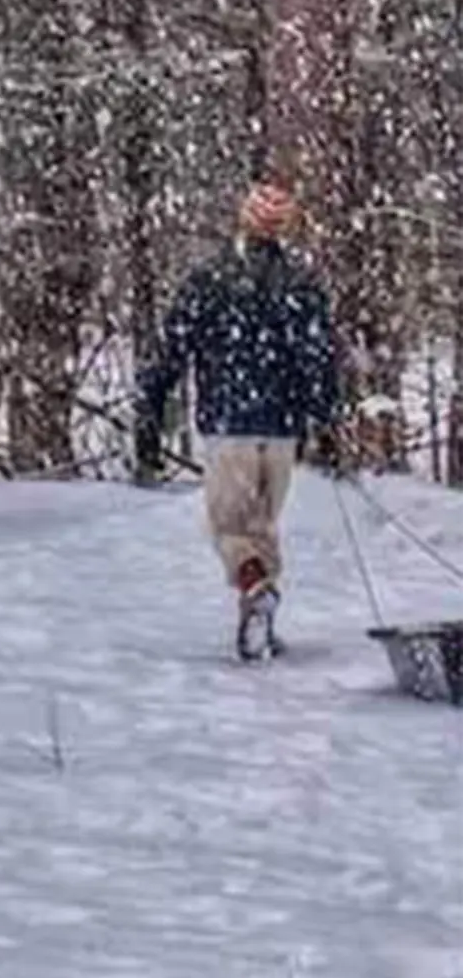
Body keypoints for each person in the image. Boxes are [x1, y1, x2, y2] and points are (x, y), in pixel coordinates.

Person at [134, 181, 340, 659]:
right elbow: (319, 357)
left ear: (242, 222)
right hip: (283, 427)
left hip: (230, 421)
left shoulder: (209, 279)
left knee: (229, 527)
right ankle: (258, 618)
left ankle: (255, 591)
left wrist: (150, 409)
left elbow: (171, 351)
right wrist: (326, 416)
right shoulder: (302, 285)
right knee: (263, 523)